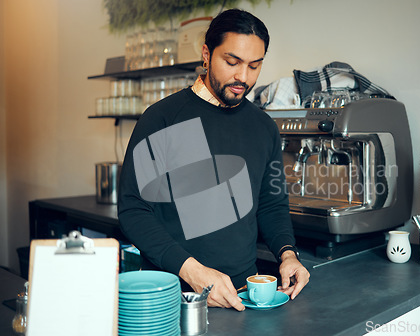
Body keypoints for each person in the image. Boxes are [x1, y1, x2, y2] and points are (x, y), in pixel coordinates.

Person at [118, 8, 309, 311]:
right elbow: (133, 209)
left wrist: (288, 254)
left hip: (243, 295)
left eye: (254, 66)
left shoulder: (263, 127)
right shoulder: (163, 118)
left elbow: (271, 204)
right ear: (207, 54)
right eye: (231, 62)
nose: (242, 77)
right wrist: (193, 272)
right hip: (175, 296)